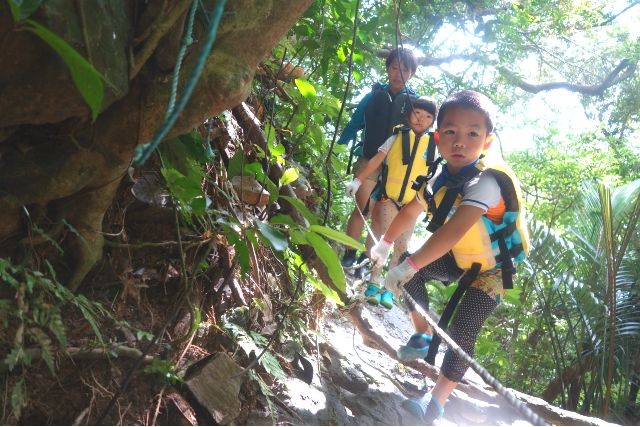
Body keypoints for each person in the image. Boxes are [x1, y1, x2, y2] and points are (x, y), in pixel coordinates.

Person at [370, 90, 530, 423]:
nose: (461, 141)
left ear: (487, 142)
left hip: (493, 271)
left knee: (463, 330)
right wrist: (385, 244)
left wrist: (409, 264)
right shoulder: (440, 179)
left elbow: (454, 230)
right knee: (409, 271)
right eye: (452, 132)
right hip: (459, 258)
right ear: (438, 138)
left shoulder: (487, 181)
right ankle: (423, 332)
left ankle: (437, 399)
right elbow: (412, 210)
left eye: (473, 133)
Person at [345, 96, 438, 309]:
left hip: (412, 205)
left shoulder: (434, 146)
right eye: (417, 113)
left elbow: (436, 178)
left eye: (427, 116)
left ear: (432, 121)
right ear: (408, 115)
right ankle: (372, 282)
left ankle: (389, 290)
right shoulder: (397, 137)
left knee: (402, 247)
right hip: (388, 198)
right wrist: (359, 180)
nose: (421, 119)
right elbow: (377, 159)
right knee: (384, 237)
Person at [337, 47, 419, 276]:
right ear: (388, 68)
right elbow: (355, 122)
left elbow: (419, 135)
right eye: (394, 68)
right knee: (363, 209)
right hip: (368, 159)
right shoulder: (373, 96)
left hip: (395, 167)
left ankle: (364, 261)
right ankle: (349, 254)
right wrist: (340, 145)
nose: (398, 74)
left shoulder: (414, 103)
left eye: (404, 70)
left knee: (379, 218)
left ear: (412, 73)